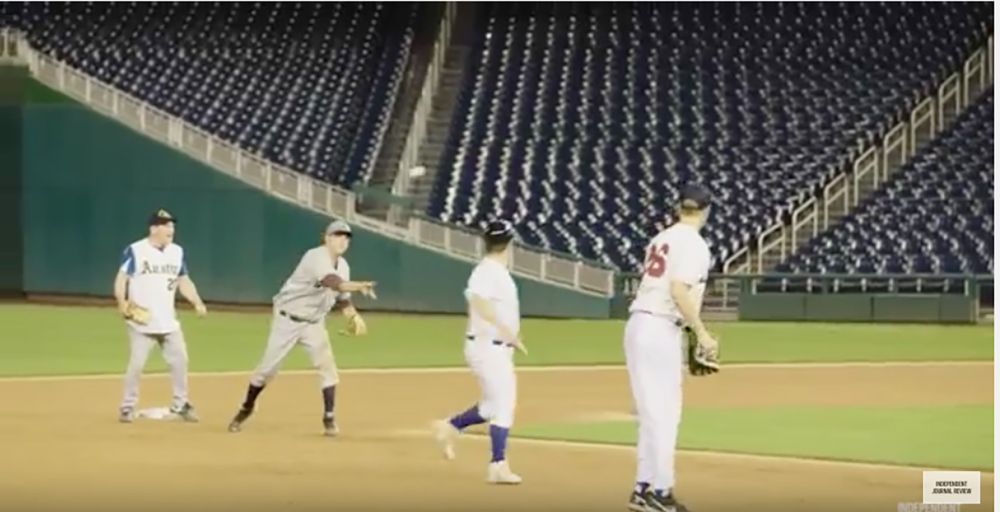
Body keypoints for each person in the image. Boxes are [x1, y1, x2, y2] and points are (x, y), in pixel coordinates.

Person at [227, 219, 376, 436]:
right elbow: (335, 283)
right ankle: (246, 408)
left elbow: (343, 298)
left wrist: (353, 316)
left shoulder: (344, 266)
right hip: (288, 320)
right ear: (326, 238)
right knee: (266, 371)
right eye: (337, 235)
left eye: (346, 237)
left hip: (314, 323)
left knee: (328, 369)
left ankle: (329, 418)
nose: (342, 240)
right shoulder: (315, 257)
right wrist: (360, 286)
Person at [624, 185, 717, 512]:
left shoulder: (661, 238)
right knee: (664, 416)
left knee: (652, 415)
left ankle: (643, 488)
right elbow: (678, 289)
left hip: (640, 324)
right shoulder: (695, 245)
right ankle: (661, 493)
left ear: (680, 208)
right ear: (705, 211)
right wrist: (701, 333)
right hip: (660, 327)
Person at [433, 219, 527, 485]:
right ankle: (498, 464)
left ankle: (451, 426)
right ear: (509, 244)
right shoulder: (487, 272)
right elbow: (477, 300)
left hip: (492, 348)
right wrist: (506, 331)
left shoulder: (494, 271)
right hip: (489, 348)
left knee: (489, 406)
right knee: (505, 405)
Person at [115, 209, 207, 423]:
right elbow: (122, 279)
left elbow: (184, 280)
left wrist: (197, 301)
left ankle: (181, 404)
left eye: (172, 226)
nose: (171, 229)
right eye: (166, 225)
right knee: (136, 365)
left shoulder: (177, 252)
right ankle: (127, 407)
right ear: (154, 228)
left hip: (169, 321)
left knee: (180, 361)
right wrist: (122, 301)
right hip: (142, 321)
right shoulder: (136, 250)